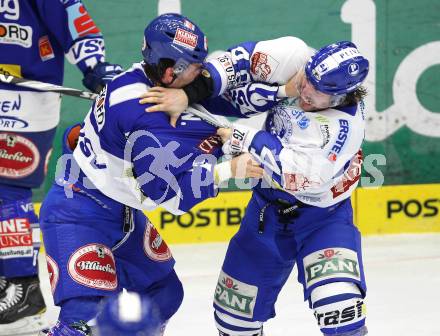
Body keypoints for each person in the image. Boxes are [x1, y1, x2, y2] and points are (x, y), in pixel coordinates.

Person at [38, 13, 262, 336]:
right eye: (195, 66)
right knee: (84, 320)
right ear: (170, 71)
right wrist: (227, 170)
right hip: (79, 212)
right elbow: (168, 196)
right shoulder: (145, 117)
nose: (201, 73)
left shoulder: (146, 82)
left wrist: (228, 142)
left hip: (120, 209)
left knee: (165, 294)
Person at [145, 40, 370, 335]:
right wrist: (187, 94)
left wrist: (242, 137)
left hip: (323, 220)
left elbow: (298, 175)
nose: (305, 92)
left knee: (339, 307)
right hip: (265, 216)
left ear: (342, 96)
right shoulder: (296, 56)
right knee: (232, 320)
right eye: (306, 81)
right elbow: (235, 62)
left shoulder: (344, 129)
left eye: (317, 93)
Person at [0, 0, 122, 333]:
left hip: (24, 93)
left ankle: (21, 289)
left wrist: (95, 66)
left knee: (6, 188)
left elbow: (72, 17)